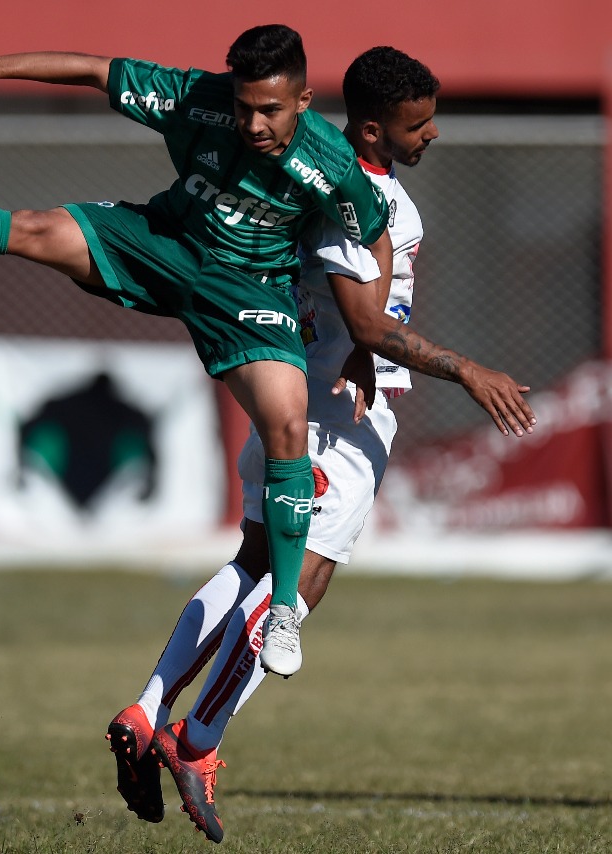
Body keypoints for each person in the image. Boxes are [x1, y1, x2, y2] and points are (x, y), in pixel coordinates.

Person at [0, 24, 395, 680]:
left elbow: (373, 237)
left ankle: (284, 611)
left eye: (269, 109)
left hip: (249, 291)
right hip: (163, 241)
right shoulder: (196, 99)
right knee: (33, 229)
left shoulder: (332, 163)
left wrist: (366, 336)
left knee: (287, 426)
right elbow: (96, 70)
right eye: (243, 107)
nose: (253, 123)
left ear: (302, 99)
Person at [105, 47, 537, 843]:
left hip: (291, 389)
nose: (433, 132)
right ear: (374, 128)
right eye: (420, 122)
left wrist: (362, 348)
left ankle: (146, 706)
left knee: (249, 568)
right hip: (334, 419)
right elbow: (368, 320)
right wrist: (466, 369)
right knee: (294, 589)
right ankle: (195, 742)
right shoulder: (363, 195)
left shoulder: (306, 170)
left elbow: (336, 303)